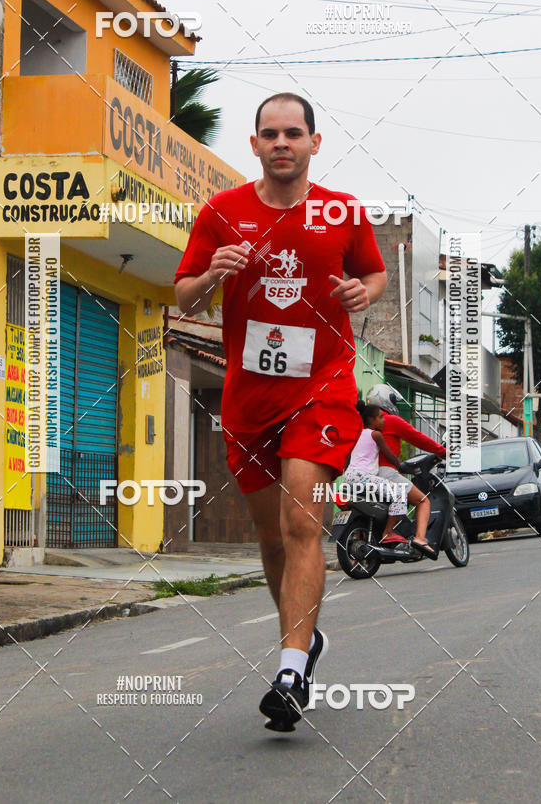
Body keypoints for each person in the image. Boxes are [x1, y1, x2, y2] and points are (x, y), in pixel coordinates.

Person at [174, 93, 387, 732]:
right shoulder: (222, 212)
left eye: (293, 133)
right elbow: (184, 296)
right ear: (255, 144)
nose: (281, 143)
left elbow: (374, 276)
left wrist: (362, 292)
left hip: (321, 389)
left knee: (302, 522)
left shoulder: (342, 212)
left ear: (314, 143)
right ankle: (303, 639)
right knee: (270, 538)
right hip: (248, 398)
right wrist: (211, 275)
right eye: (270, 134)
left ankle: (291, 670)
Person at [367, 384, 446, 559]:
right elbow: (418, 438)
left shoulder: (362, 425)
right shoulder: (390, 421)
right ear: (386, 400)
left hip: (362, 475)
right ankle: (420, 539)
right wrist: (442, 451)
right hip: (386, 473)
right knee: (423, 501)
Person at [342, 402, 408, 517]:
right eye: (380, 417)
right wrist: (401, 467)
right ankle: (390, 528)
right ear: (371, 419)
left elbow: (348, 458)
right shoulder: (376, 435)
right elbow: (390, 456)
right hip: (363, 477)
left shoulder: (356, 434)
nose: (383, 420)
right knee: (399, 493)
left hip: (348, 477)